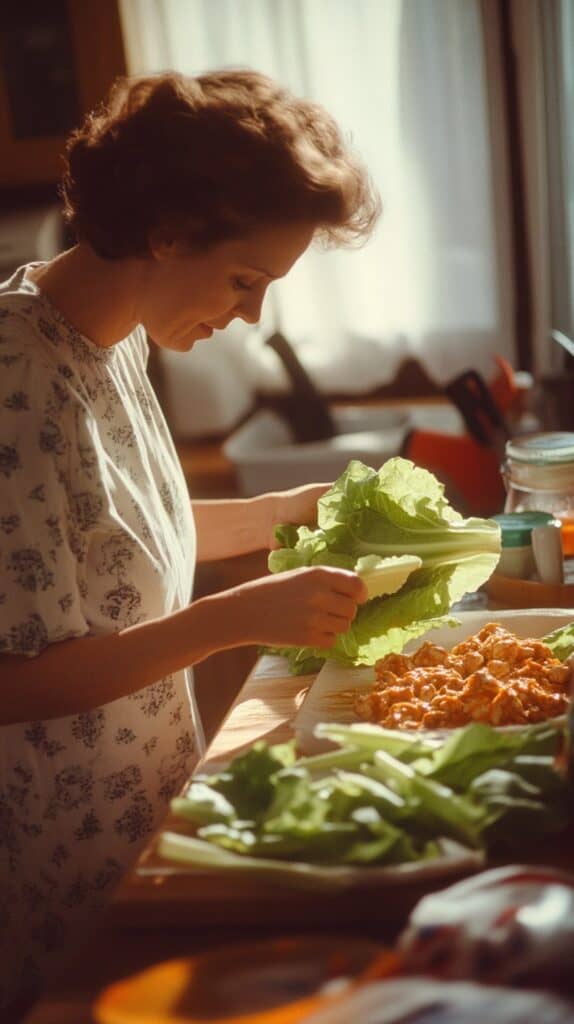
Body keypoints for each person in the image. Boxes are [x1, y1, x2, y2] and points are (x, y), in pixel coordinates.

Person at [0, 68, 380, 1015]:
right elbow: (13, 679)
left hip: (139, 811)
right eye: (246, 280)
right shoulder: (14, 377)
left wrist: (280, 513)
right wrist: (231, 618)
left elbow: (111, 538)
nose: (251, 316)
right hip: (51, 855)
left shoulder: (112, 334)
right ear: (167, 232)